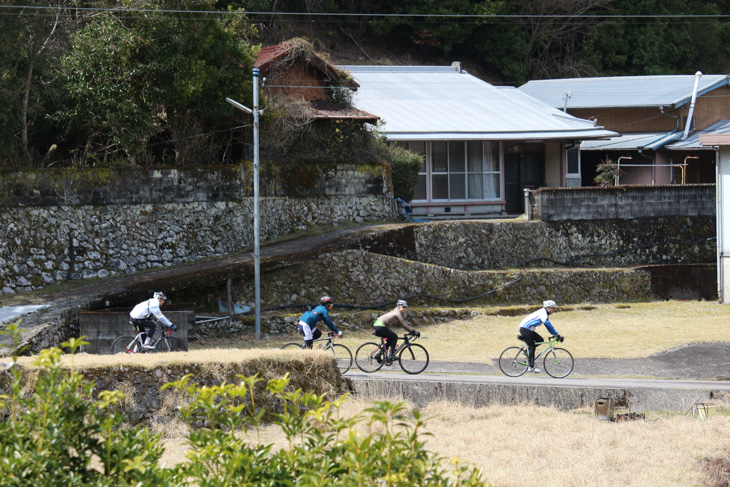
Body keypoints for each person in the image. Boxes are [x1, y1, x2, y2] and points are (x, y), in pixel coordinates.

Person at [519, 299, 563, 373]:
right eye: (553, 308)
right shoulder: (543, 313)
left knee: (540, 340)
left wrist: (555, 334)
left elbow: (548, 326)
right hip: (525, 329)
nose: (554, 310)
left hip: (528, 329)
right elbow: (548, 325)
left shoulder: (544, 312)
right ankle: (531, 367)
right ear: (548, 308)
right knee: (532, 346)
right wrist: (557, 335)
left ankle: (527, 352)